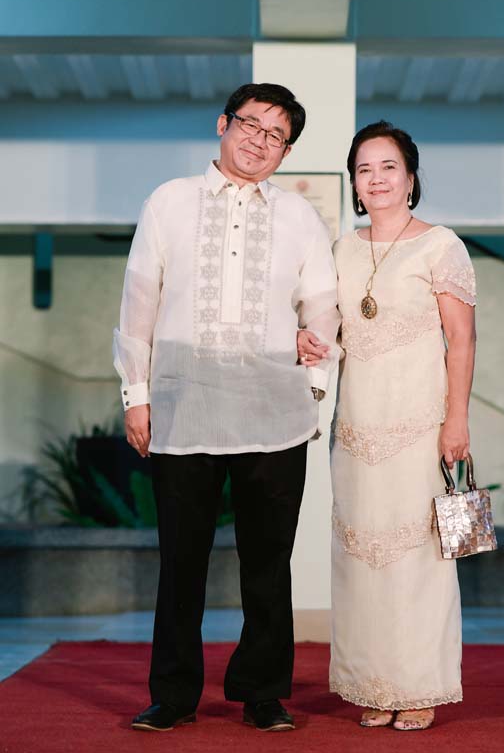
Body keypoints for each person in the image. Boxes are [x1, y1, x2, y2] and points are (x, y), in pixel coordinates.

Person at [113, 83, 340, 733]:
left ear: (286, 152)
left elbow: (322, 303)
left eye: (276, 136)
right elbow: (139, 300)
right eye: (251, 125)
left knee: (267, 565)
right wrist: (136, 394)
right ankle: (173, 694)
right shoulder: (169, 200)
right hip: (183, 406)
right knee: (180, 564)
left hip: (274, 413)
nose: (260, 142)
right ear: (223, 124)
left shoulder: (299, 217)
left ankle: (262, 692)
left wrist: (313, 384)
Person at [298, 120, 476, 731]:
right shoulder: (341, 249)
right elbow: (335, 333)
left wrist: (457, 420)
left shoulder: (441, 245)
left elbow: (461, 340)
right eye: (364, 169)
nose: (376, 179)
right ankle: (373, 685)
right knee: (359, 556)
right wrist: (309, 343)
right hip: (356, 429)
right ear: (354, 183)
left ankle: (419, 685)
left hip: (421, 426)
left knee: (419, 557)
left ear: (411, 177)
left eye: (388, 167)